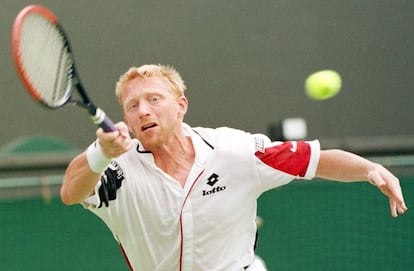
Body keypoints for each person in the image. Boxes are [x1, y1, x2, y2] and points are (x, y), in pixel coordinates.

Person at [61, 64, 407, 271]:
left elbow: (314, 160)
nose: (143, 111)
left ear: (181, 106)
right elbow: (70, 191)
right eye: (132, 105)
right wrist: (100, 153)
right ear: (127, 119)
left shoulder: (232, 150)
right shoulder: (115, 168)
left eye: (154, 99)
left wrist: (368, 169)